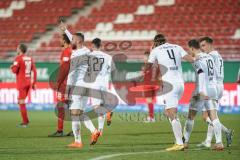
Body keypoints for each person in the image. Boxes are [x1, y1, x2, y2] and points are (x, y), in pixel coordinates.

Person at [147, 34, 194, 151]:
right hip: (180, 84)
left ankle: (179, 143)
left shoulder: (155, 50)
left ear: (155, 42)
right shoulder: (177, 47)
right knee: (168, 112)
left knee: (172, 114)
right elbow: (191, 59)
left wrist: (151, 54)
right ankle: (180, 139)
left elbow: (148, 68)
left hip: (170, 85)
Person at [59, 22, 100, 148]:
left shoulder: (76, 54)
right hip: (88, 85)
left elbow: (72, 74)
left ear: (78, 41)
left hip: (79, 85)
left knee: (74, 113)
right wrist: (66, 30)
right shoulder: (88, 51)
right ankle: (94, 131)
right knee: (80, 112)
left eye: (73, 40)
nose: (71, 40)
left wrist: (67, 90)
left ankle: (78, 141)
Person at [183, 39, 224, 150]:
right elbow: (216, 73)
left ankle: (185, 142)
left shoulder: (197, 59)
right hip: (213, 88)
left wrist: (200, 91)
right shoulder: (209, 56)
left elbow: (200, 74)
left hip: (201, 89)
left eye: (189, 49)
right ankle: (219, 143)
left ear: (192, 48)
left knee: (191, 116)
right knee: (214, 116)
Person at [196, 36, 233, 147]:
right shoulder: (218, 55)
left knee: (207, 116)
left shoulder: (210, 56)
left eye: (204, 45)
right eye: (201, 46)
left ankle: (225, 133)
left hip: (213, 85)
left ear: (210, 44)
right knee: (211, 114)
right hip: (219, 85)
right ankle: (208, 141)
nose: (202, 48)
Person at [48, 34, 73, 137]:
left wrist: (59, 82)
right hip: (72, 83)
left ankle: (60, 131)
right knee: (72, 107)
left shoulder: (66, 51)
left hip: (65, 83)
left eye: (61, 39)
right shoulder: (73, 51)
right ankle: (74, 131)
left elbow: (64, 68)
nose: (60, 40)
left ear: (64, 41)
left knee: (60, 107)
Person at [11, 44, 37, 128]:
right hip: (28, 82)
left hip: (21, 83)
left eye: (17, 48)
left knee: (21, 102)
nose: (16, 49)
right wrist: (34, 83)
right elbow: (34, 71)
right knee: (21, 101)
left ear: (20, 50)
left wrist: (12, 67)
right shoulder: (30, 58)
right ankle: (26, 120)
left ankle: (25, 122)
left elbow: (14, 71)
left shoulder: (18, 58)